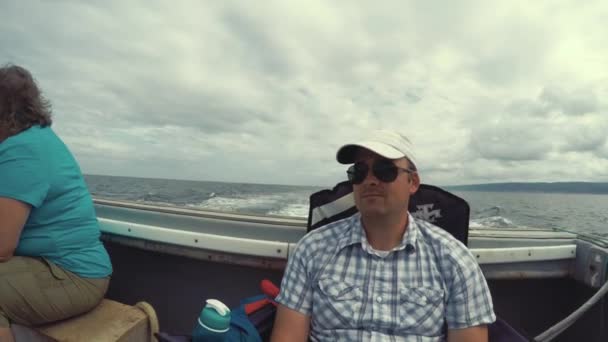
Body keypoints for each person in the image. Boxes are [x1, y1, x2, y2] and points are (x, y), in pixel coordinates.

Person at [271, 130, 496, 341]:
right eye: (358, 171)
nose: (370, 180)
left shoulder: (454, 260)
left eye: (385, 170)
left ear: (413, 182)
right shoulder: (312, 249)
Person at [0, 64, 112, 341]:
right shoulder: (35, 141)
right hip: (47, 264)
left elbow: (1, 246)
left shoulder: (22, 150)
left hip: (72, 275)